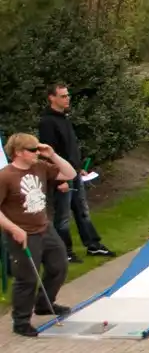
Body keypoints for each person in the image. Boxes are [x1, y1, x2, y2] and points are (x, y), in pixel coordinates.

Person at [0, 132, 77, 336]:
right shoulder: (6, 176)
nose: (37, 153)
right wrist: (14, 229)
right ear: (18, 152)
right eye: (32, 150)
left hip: (45, 228)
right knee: (27, 278)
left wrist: (52, 155)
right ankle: (21, 321)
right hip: (23, 234)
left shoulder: (40, 167)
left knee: (59, 266)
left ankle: (44, 304)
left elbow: (70, 174)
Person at [38, 82, 116, 263]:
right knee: (63, 217)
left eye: (68, 95)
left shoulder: (64, 118)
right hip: (62, 178)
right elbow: (50, 154)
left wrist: (78, 167)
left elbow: (69, 148)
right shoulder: (47, 122)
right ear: (52, 98)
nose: (67, 99)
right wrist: (59, 180)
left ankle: (93, 245)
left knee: (82, 211)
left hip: (74, 173)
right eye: (63, 96)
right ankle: (63, 251)